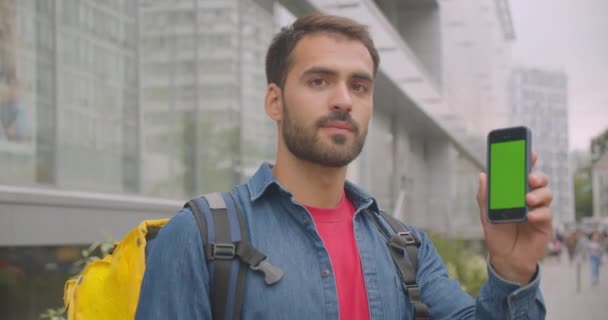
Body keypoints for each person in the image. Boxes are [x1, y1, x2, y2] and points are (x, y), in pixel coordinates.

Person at [136, 12, 553, 319]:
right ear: (274, 102)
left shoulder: (406, 247)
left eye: (359, 85)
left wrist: (513, 269)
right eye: (319, 81)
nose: (343, 100)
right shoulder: (200, 237)